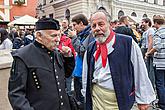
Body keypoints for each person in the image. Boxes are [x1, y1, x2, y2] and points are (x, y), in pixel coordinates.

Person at [82, 10, 156, 110]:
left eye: (101, 24)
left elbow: (140, 71)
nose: (97, 28)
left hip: (119, 100)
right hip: (97, 98)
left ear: (110, 25)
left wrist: (143, 99)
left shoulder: (128, 43)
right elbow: (86, 74)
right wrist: (86, 93)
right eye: (93, 26)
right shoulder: (91, 48)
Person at [8, 18, 75, 110]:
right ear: (39, 36)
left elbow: (66, 74)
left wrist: (68, 57)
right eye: (53, 36)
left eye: (59, 35)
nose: (58, 39)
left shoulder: (56, 52)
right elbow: (16, 94)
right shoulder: (23, 56)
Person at [68, 14, 95, 109]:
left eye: (75, 25)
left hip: (83, 73)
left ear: (81, 23)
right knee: (78, 99)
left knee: (82, 100)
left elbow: (82, 51)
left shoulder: (90, 34)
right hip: (78, 71)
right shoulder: (83, 34)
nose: (73, 27)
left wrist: (74, 38)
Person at [145, 15, 165, 109]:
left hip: (160, 63)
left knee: (160, 84)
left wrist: (149, 53)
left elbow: (157, 46)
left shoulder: (158, 33)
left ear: (156, 23)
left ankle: (162, 104)